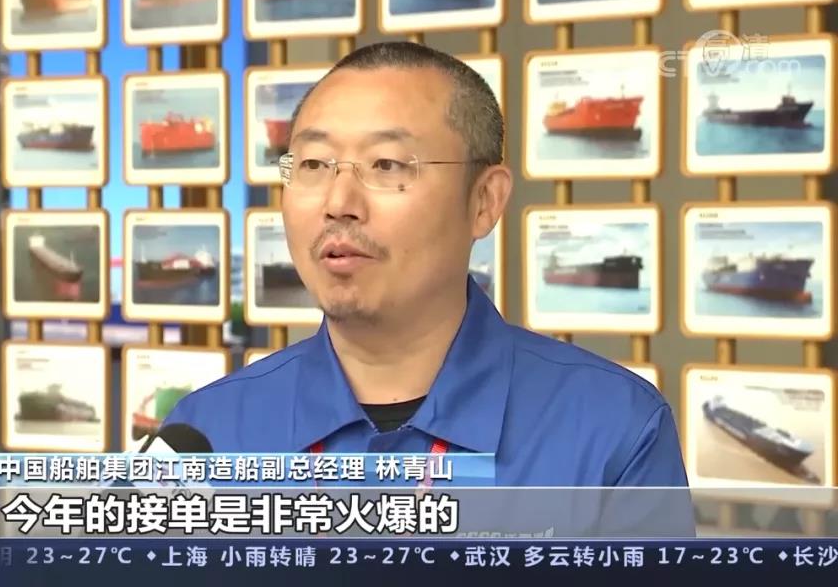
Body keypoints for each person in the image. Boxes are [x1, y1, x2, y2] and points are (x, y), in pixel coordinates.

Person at [161, 41, 689, 489]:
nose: (338, 202)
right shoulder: (204, 436)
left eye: (387, 165)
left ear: (483, 201)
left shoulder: (613, 433)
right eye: (314, 164)